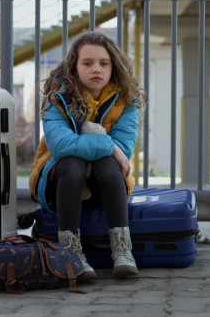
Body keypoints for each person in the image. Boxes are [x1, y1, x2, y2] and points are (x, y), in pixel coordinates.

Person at [28, 31, 145, 280]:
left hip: (107, 185)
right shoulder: (56, 98)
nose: (97, 70)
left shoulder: (127, 100)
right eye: (88, 63)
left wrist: (112, 150)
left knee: (106, 163)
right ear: (74, 66)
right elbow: (60, 146)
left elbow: (124, 148)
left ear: (114, 66)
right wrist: (110, 145)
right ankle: (70, 252)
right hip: (58, 184)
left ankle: (122, 250)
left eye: (104, 63)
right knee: (72, 162)